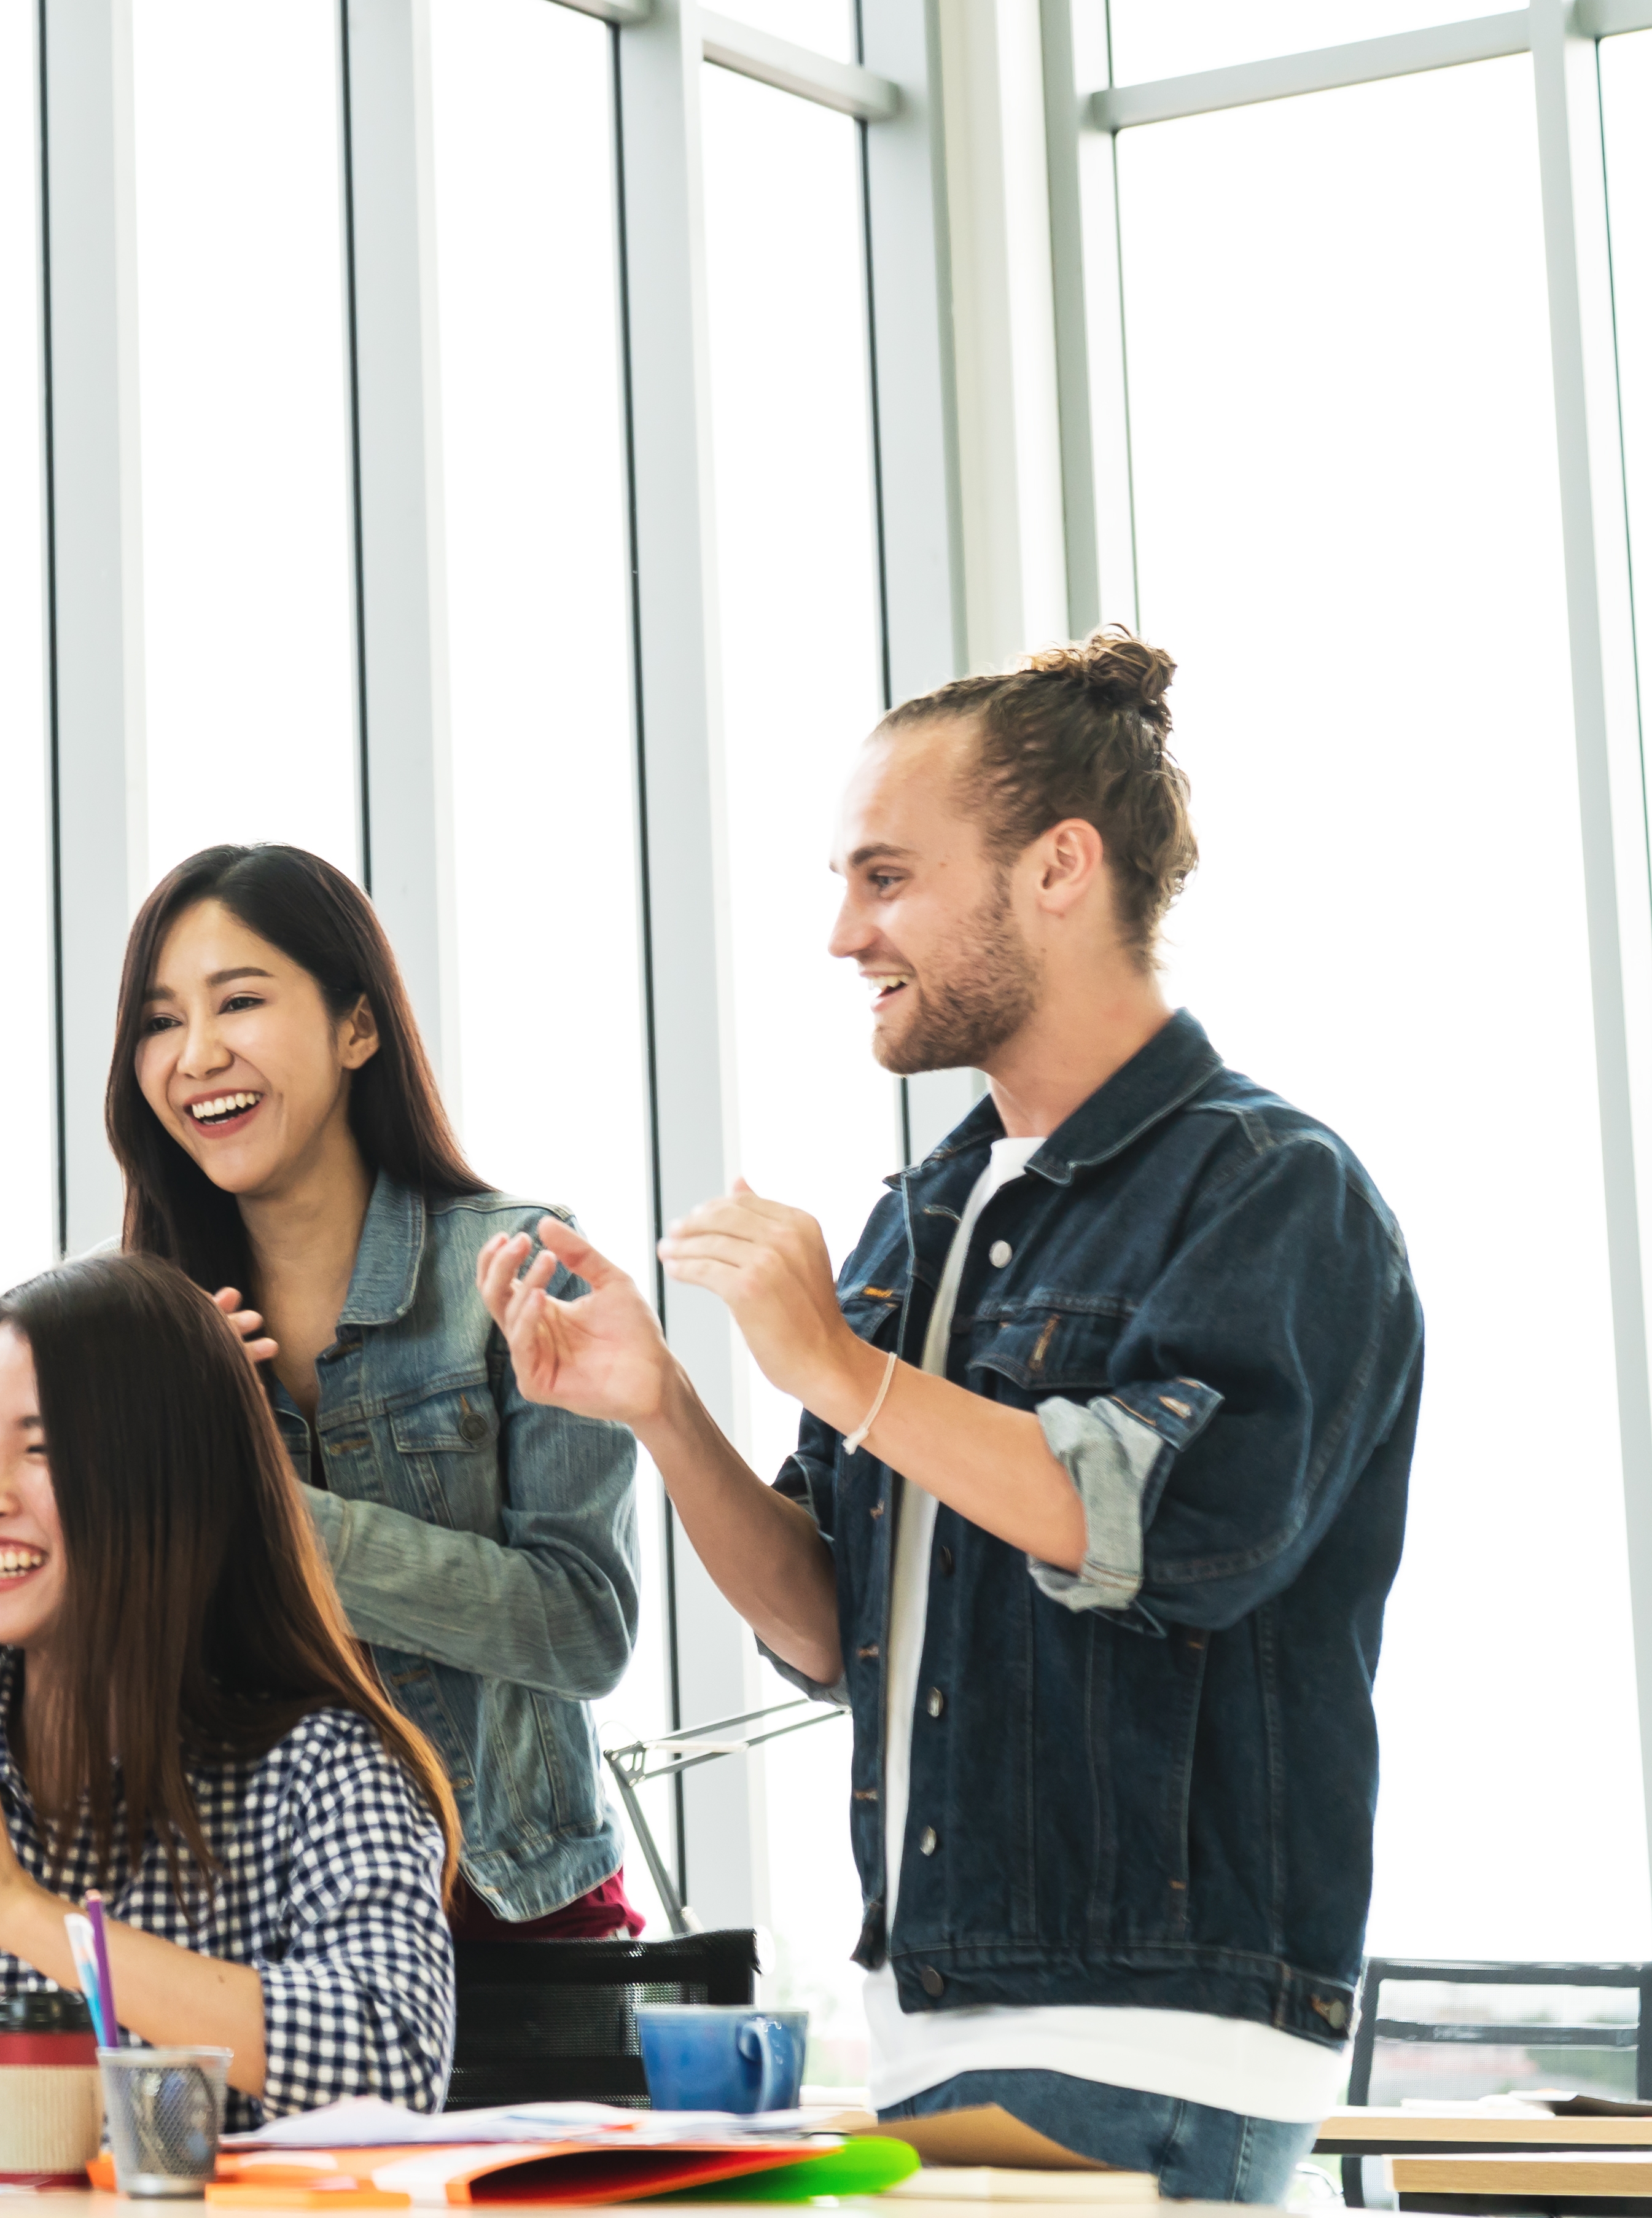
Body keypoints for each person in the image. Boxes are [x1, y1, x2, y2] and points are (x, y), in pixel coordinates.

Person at [480, 633, 1421, 2201]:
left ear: (1060, 866)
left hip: (1157, 2036)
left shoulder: (1269, 1190)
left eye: (886, 877)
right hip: (929, 2023)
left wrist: (840, 1371)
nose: (844, 932)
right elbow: (827, 1622)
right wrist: (663, 1410)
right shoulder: (924, 1212)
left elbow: (1164, 1528)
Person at [0, 1251, 459, 2162]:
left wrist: (21, 1912)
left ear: (168, 1484)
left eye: (42, 1450)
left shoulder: (326, 1771)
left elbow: (393, 2052)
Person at [107, 844, 644, 1939]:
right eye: (160, 1022)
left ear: (359, 1027)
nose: (196, 1055)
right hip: (262, 1934)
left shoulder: (515, 1271)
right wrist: (157, 1431)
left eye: (239, 1002)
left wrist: (265, 1512)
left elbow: (585, 1627)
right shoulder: (142, 1324)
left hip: (510, 1919)